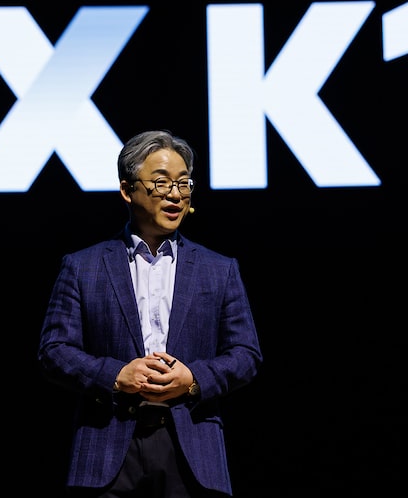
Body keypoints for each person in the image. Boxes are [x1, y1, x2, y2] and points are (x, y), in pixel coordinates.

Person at [38, 129, 263, 497]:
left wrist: (193, 378)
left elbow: (246, 355)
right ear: (127, 190)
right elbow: (54, 350)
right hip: (106, 447)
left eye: (184, 183)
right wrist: (116, 375)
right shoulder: (83, 266)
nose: (175, 194)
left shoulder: (219, 269)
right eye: (161, 183)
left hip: (191, 445)